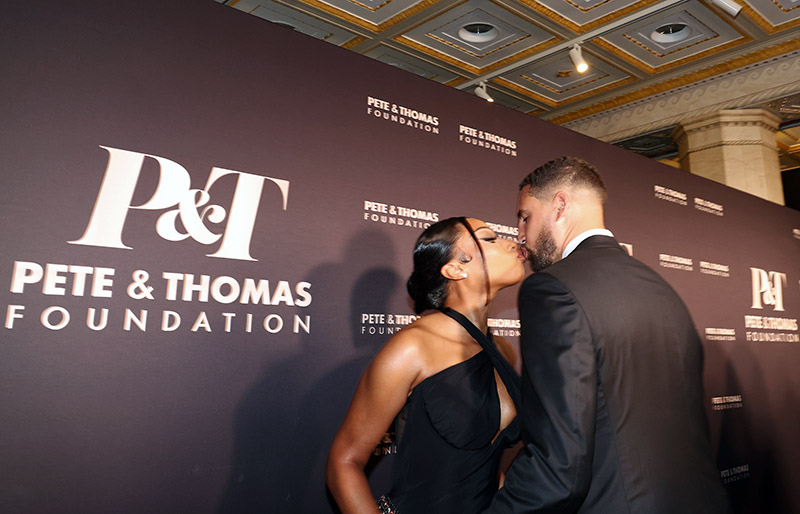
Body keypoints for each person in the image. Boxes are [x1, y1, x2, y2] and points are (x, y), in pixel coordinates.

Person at [485, 157, 730, 513]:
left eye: (525, 217)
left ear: (560, 205)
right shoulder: (659, 286)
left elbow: (561, 466)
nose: (520, 234)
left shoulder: (552, 289)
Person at [327, 217, 526, 513]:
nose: (512, 243)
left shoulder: (503, 351)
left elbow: (481, 464)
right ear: (455, 268)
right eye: (489, 239)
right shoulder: (413, 348)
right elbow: (344, 462)